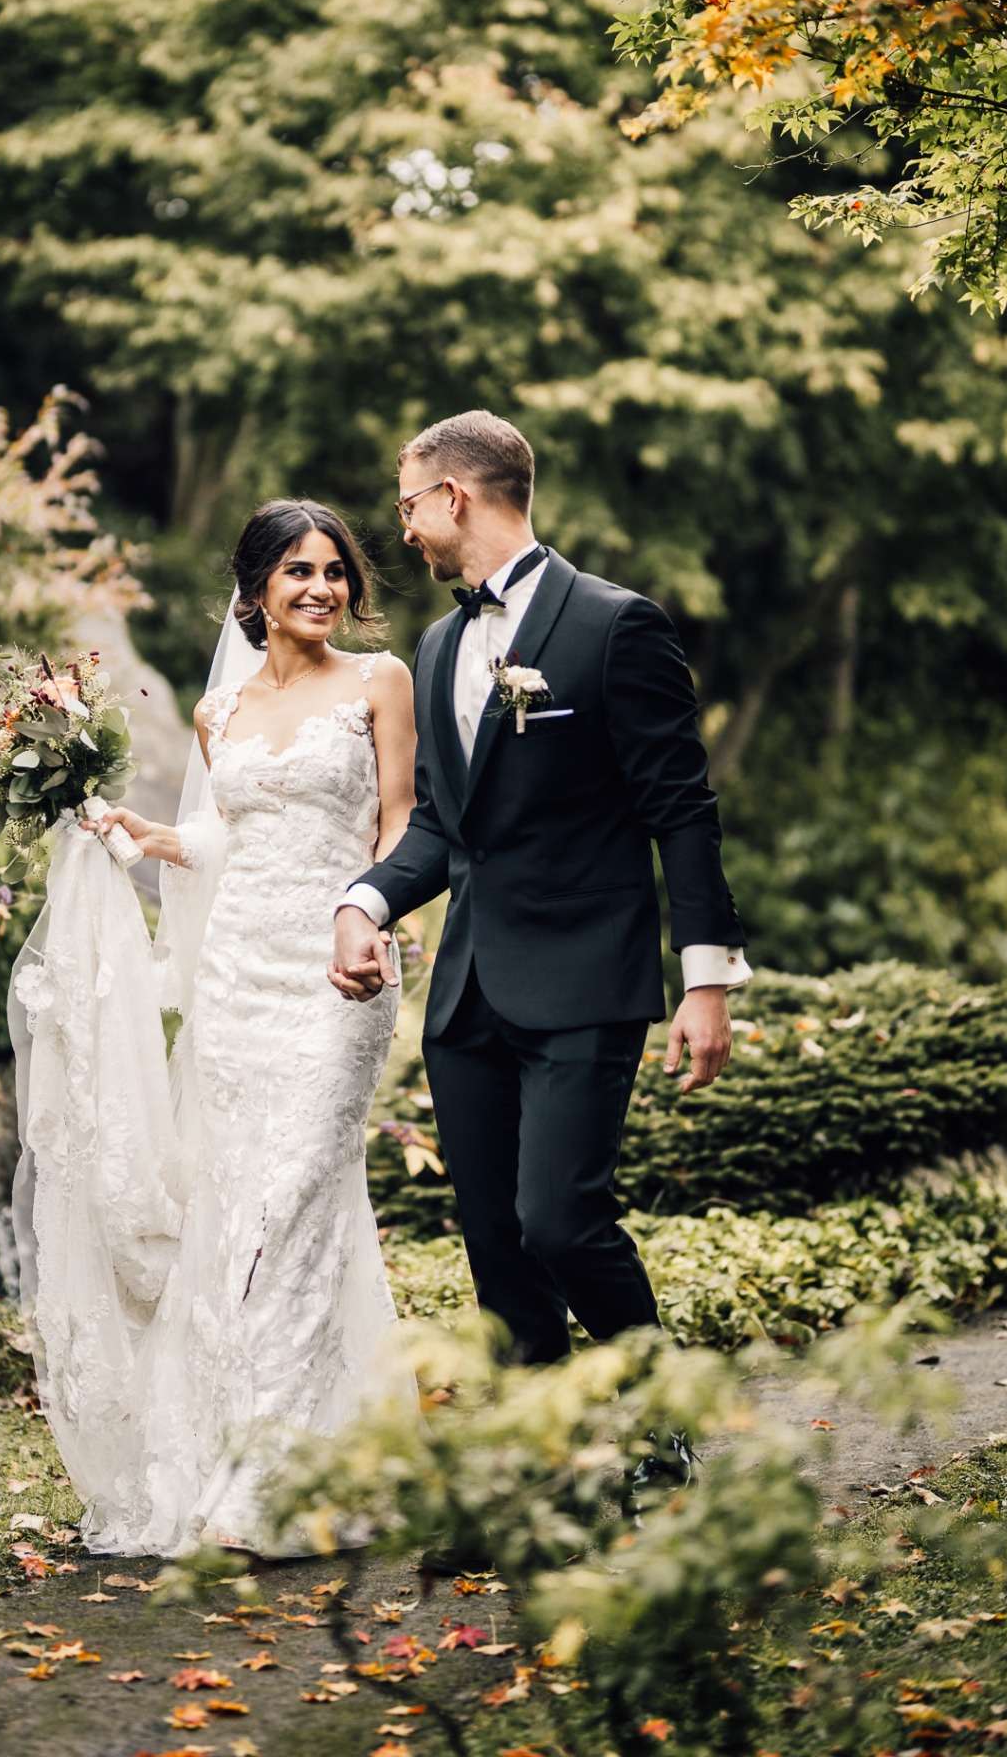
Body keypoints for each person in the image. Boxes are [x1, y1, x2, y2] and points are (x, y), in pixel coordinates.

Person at [9, 499, 417, 1557]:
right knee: (239, 1208)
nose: (321, 587)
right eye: (297, 571)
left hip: (339, 972)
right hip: (236, 978)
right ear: (256, 590)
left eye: (334, 569)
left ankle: (270, 1483)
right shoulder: (215, 715)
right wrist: (154, 837)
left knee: (295, 1199)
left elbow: (401, 820)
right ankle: (287, 1451)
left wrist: (370, 913)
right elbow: (229, 835)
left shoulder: (380, 682)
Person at [330, 411, 751, 1395]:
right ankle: (532, 1470)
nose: (404, 531)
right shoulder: (436, 648)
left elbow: (682, 811)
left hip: (584, 983)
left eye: (408, 506)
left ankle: (666, 1434)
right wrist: (363, 901)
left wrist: (707, 980)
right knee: (499, 1253)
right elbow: (440, 823)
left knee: (561, 1221)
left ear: (455, 497)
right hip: (469, 997)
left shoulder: (616, 624)